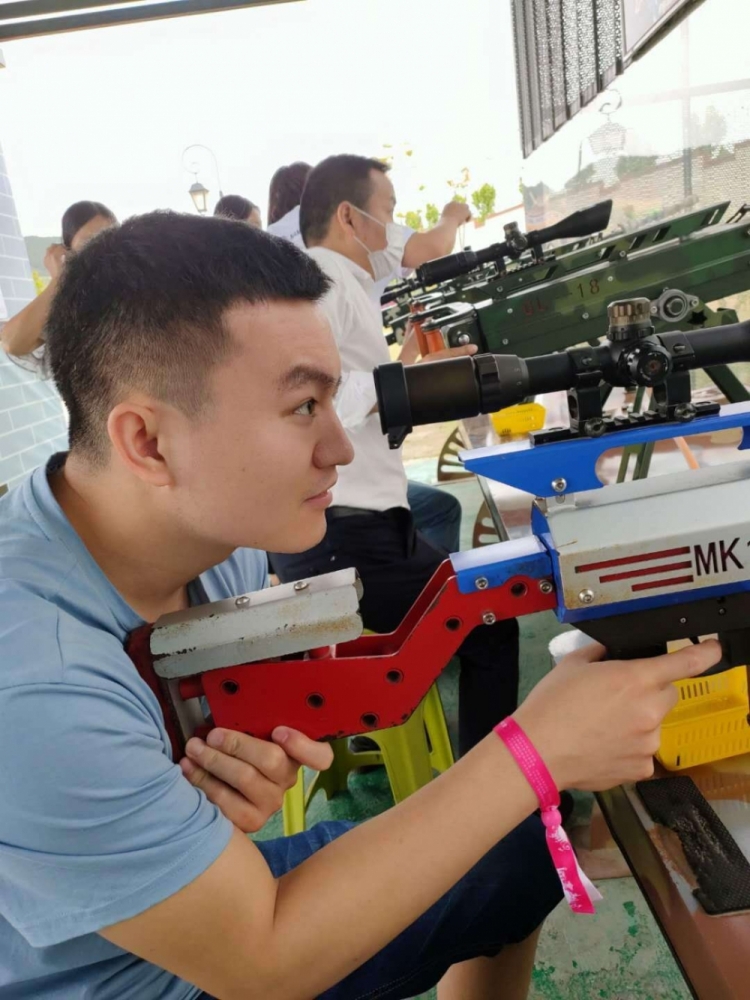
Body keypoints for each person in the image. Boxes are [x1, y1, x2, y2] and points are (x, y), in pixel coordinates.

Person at [0, 210, 718, 1000]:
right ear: (148, 443)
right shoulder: (34, 684)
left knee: (519, 859)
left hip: (190, 900)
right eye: (302, 407)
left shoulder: (207, 533)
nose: (341, 449)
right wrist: (538, 750)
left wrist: (199, 789)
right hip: (124, 979)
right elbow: (261, 966)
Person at [269, 155, 515, 755]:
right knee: (490, 620)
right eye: (389, 212)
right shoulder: (324, 279)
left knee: (480, 605)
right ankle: (492, 789)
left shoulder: (338, 283)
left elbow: (350, 389)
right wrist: (408, 381)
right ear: (350, 217)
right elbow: (301, 392)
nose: (395, 230)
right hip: (346, 540)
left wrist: (407, 369)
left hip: (359, 530)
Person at [0, 200, 117, 357]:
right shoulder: (70, 306)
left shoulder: (139, 287)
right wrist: (59, 280)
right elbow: (12, 343)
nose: (102, 252)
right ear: (68, 253)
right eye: (88, 244)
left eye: (110, 239)